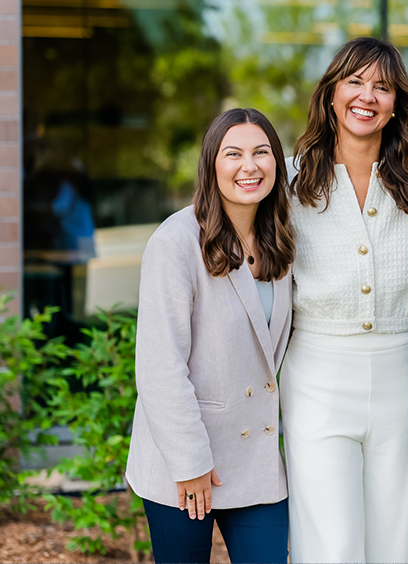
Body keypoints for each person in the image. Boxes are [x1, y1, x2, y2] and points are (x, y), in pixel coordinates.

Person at [279, 37, 408, 564]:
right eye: (355, 81)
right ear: (331, 93)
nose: (367, 95)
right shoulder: (288, 176)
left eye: (383, 86)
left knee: (401, 535)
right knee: (329, 540)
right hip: (317, 373)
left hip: (404, 369)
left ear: (397, 102)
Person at [125, 108, 294, 564]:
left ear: (278, 163)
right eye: (233, 153)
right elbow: (160, 367)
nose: (249, 166)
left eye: (262, 152)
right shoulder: (175, 241)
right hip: (184, 461)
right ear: (211, 164)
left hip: (256, 461)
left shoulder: (282, 238)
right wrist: (190, 464)